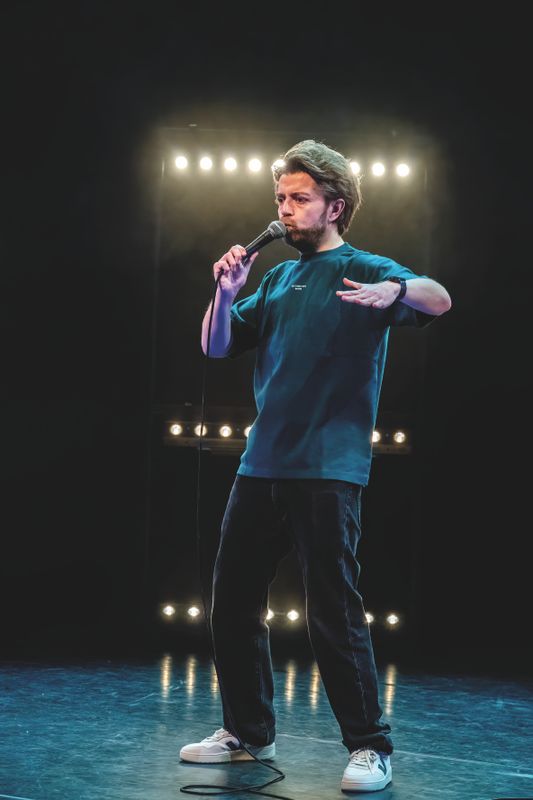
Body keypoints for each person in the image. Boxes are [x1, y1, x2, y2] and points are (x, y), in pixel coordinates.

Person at [180, 139, 452, 792]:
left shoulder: (362, 267)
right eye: (280, 198)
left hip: (328, 470)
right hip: (261, 465)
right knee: (231, 605)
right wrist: (225, 292)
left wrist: (394, 288)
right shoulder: (276, 280)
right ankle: (247, 732)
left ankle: (369, 747)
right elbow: (215, 346)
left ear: (335, 206)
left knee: (333, 612)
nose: (285, 209)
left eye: (299, 198)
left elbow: (439, 298)